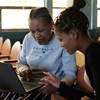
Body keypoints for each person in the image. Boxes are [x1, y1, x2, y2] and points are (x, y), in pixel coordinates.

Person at [10, 7, 76, 100]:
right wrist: (24, 70)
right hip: (29, 86)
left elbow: (70, 74)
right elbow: (21, 63)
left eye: (40, 30)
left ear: (51, 25)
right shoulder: (28, 38)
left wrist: (58, 86)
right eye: (32, 31)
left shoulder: (62, 41)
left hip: (50, 91)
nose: (36, 35)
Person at [40, 0, 100, 100]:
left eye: (61, 40)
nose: (61, 45)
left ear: (73, 34)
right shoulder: (92, 51)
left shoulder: (94, 53)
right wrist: (60, 85)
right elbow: (91, 96)